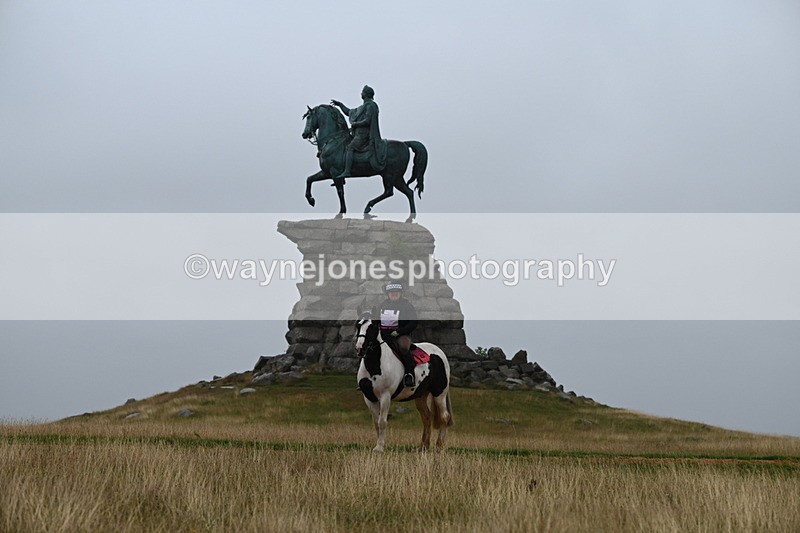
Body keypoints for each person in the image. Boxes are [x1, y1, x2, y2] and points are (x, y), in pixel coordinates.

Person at [330, 85, 386, 179]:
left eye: (363, 92)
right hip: (358, 134)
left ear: (366, 94)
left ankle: (347, 171)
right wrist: (340, 105)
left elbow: (368, 120)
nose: (361, 93)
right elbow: (349, 112)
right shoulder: (362, 107)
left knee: (350, 147)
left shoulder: (371, 105)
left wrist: (356, 124)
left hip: (364, 135)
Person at [374, 282, 418, 387]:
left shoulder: (407, 305)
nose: (394, 294)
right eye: (391, 292)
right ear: (388, 294)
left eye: (396, 292)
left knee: (403, 347)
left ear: (400, 293)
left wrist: (399, 332)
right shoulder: (382, 305)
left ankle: (409, 374)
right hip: (384, 334)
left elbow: (413, 323)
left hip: (401, 335)